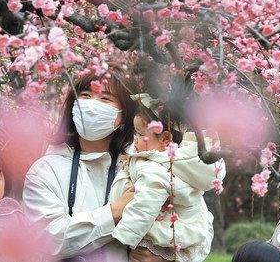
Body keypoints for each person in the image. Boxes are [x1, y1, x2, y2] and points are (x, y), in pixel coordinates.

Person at [23, 65, 154, 262]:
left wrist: (163, 255)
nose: (92, 105)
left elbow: (194, 226)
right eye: (85, 95)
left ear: (124, 116)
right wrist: (115, 212)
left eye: (105, 98)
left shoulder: (143, 165)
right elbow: (49, 240)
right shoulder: (45, 170)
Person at [109, 93, 226, 262]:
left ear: (165, 139)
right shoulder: (178, 164)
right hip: (172, 235)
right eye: (135, 132)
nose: (135, 139)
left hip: (156, 236)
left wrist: (124, 235)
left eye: (141, 134)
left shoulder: (156, 169)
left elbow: (145, 205)